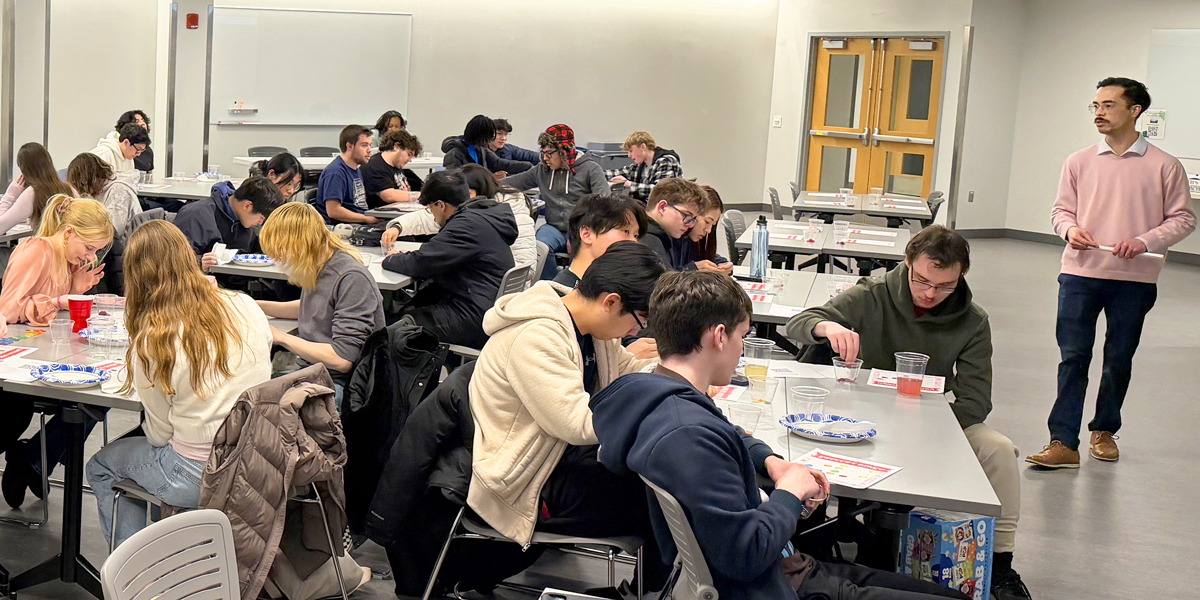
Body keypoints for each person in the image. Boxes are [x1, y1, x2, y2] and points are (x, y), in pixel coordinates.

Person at [592, 270, 968, 600]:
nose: (742, 351)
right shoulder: (687, 435)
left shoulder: (662, 396)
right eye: (743, 337)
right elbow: (744, 556)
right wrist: (790, 493)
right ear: (719, 336)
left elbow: (730, 435)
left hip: (785, 568)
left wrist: (774, 464)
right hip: (775, 584)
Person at [785, 226, 1031, 600]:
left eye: (945, 285)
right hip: (858, 420)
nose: (931, 293)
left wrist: (925, 429)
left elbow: (976, 401)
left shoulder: (973, 321)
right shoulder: (873, 294)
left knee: (998, 449)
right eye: (922, 281)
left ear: (960, 276)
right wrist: (827, 325)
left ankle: (1000, 565)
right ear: (907, 264)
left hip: (929, 424)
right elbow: (798, 323)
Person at [1027, 77, 1197, 470]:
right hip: (1080, 273)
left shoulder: (1165, 166)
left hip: (1135, 279)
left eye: (1108, 105)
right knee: (1073, 357)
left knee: (1118, 357)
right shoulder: (1079, 161)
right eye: (1095, 106)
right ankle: (1062, 441)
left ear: (1135, 110)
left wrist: (1145, 240)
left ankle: (1103, 430)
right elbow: (1061, 211)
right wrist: (1070, 230)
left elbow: (1184, 218)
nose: (1099, 113)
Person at [467, 242, 667, 565]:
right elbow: (577, 423)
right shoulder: (536, 336)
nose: (636, 331)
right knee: (659, 486)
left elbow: (629, 372)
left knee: (665, 471)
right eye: (639, 320)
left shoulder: (591, 330)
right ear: (611, 302)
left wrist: (680, 381)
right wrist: (656, 409)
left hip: (564, 458)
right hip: (533, 479)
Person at [86, 221, 273, 549]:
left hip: (197, 473)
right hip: (257, 459)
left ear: (136, 277)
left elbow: (159, 435)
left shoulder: (155, 339)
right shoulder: (244, 305)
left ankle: (136, 582)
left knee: (103, 467)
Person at [0, 195, 113, 509]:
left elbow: (46, 303)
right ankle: (34, 461)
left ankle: (34, 460)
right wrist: (62, 300)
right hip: (22, 360)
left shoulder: (66, 259)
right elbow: (7, 309)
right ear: (68, 233)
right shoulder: (36, 250)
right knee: (88, 399)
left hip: (44, 350)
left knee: (99, 393)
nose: (90, 256)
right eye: (88, 248)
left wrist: (74, 290)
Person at [256, 203, 385, 403]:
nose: (278, 261)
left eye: (281, 254)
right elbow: (314, 307)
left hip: (339, 382)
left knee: (262, 407)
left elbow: (342, 359)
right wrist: (254, 305)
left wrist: (280, 337)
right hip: (314, 369)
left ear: (300, 246)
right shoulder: (319, 264)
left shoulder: (351, 278)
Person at [382, 170, 517, 348]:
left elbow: (421, 263)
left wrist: (390, 260)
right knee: (413, 307)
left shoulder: (464, 226)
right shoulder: (482, 215)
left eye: (430, 209)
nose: (432, 215)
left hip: (474, 315)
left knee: (399, 329)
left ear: (441, 205)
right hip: (486, 305)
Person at [501, 124, 610, 279]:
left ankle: (576, 288)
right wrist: (485, 184)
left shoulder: (591, 169)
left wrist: (581, 232)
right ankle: (551, 286)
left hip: (583, 228)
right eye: (543, 153)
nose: (545, 158)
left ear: (564, 152)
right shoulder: (542, 170)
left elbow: (604, 203)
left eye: (550, 153)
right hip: (554, 228)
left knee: (583, 254)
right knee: (540, 247)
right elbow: (515, 182)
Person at [379, 164, 536, 268]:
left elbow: (426, 261)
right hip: (505, 279)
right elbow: (430, 217)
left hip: (507, 280)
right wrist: (397, 227)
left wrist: (396, 259)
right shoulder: (492, 208)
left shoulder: (478, 217)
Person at [170, 176, 285, 268]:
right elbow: (170, 259)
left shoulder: (244, 220)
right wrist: (200, 263)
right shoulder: (195, 216)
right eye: (261, 218)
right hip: (199, 287)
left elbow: (257, 246)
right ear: (248, 206)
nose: (260, 223)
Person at [552, 192, 647, 288]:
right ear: (587, 234)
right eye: (626, 231)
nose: (634, 242)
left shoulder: (617, 289)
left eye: (635, 235)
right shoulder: (558, 297)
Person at [66, 152, 141, 244]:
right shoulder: (99, 190)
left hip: (125, 245)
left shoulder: (118, 191)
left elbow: (112, 230)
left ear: (87, 180)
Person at [0, 142, 74, 234]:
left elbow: (1, 226)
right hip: (69, 245)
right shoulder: (70, 189)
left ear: (24, 169)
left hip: (45, 246)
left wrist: (10, 196)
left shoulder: (33, 193)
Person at [313, 124, 376, 224]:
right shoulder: (335, 172)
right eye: (364, 145)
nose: (370, 150)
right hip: (343, 229)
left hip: (358, 224)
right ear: (350, 146)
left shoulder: (356, 169)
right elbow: (333, 211)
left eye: (370, 145)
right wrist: (367, 219)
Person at [639, 177, 709, 267]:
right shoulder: (648, 242)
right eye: (686, 215)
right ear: (662, 207)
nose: (690, 225)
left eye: (693, 219)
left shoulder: (664, 237)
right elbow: (662, 280)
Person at [440, 114, 533, 175]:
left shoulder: (480, 149)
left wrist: (531, 167)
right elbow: (454, 182)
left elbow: (500, 163)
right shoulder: (454, 154)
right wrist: (490, 179)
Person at [605, 131, 683, 204]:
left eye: (631, 151)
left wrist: (629, 185)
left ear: (643, 147)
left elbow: (661, 191)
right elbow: (617, 173)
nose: (629, 155)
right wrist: (595, 174)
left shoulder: (667, 161)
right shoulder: (640, 166)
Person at [670, 184, 733, 273]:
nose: (709, 230)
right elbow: (662, 278)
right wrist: (693, 268)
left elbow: (703, 255)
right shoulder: (669, 239)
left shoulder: (689, 239)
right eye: (707, 222)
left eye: (713, 225)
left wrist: (722, 264)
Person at [361, 129, 424, 209]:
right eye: (409, 154)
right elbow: (389, 196)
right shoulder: (374, 167)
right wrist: (423, 196)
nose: (410, 160)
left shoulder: (398, 167)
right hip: (382, 217)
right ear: (396, 146)